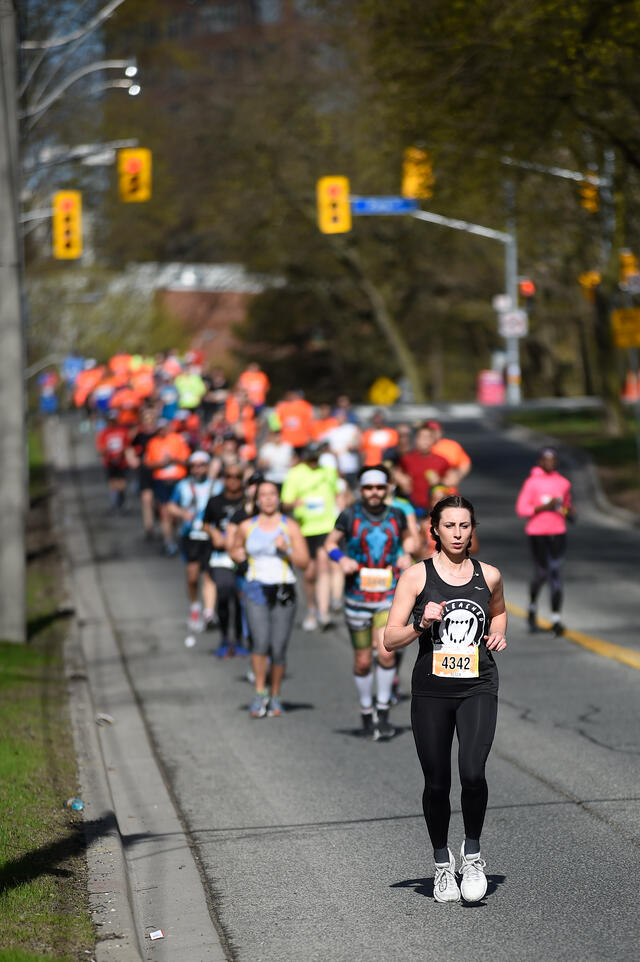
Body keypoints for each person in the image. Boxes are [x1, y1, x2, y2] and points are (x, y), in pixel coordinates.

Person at [384, 495, 507, 904]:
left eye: (464, 526)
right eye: (449, 526)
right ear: (434, 530)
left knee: (472, 772)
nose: (457, 533)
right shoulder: (415, 577)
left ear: (473, 530)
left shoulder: (488, 575)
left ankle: (472, 856)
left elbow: (499, 611)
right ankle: (442, 864)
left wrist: (498, 633)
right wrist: (421, 623)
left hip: (477, 687)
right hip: (432, 692)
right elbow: (389, 638)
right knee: (437, 784)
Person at [325, 466, 416, 740]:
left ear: (386, 489)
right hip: (357, 597)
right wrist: (341, 559)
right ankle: (367, 711)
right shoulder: (349, 515)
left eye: (379, 487)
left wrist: (406, 554)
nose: (374, 493)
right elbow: (330, 543)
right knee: (363, 661)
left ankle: (384, 713)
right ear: (361, 490)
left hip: (389, 595)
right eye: (368, 488)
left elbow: (411, 538)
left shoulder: (397, 514)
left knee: (386, 653)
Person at [231, 480, 309, 718]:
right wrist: (238, 555)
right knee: (260, 643)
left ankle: (275, 694)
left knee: (278, 648)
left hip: (284, 590)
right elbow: (234, 549)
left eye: (272, 494)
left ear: (278, 497)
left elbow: (304, 561)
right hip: (256, 588)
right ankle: (259, 693)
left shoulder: (290, 526)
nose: (267, 499)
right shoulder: (246, 526)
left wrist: (286, 548)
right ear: (256, 499)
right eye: (263, 495)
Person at [515, 447, 573, 635]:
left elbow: (566, 506)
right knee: (541, 573)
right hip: (537, 532)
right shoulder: (532, 483)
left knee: (555, 570)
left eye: (553, 460)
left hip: (558, 531)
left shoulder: (564, 483)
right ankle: (532, 607)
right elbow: (522, 509)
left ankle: (556, 618)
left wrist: (569, 512)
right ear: (540, 462)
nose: (549, 463)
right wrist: (543, 507)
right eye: (546, 460)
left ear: (556, 462)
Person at [281, 442, 339, 630]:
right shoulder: (295, 474)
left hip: (326, 525)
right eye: (311, 458)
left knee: (323, 564)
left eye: (317, 458)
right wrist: (294, 504)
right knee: (309, 573)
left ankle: (323, 611)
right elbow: (285, 502)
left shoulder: (328, 471)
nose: (314, 462)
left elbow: (339, 492)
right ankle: (312, 609)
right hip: (305, 529)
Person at [203, 463, 249, 657]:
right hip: (221, 556)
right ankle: (224, 637)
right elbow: (205, 524)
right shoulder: (215, 501)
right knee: (224, 592)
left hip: (241, 555)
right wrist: (213, 532)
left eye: (237, 477)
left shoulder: (247, 503)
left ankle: (238, 639)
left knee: (240, 600)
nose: (233, 480)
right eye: (229, 476)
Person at [144, 418, 191, 555]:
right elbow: (148, 463)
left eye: (164, 428)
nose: (162, 431)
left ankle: (177, 535)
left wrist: (173, 460)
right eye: (160, 429)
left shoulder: (177, 439)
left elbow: (186, 460)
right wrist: (161, 463)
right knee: (164, 513)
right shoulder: (153, 443)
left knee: (176, 513)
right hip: (162, 481)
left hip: (178, 480)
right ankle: (168, 541)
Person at [396, 422, 451, 518]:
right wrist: (400, 478)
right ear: (416, 439)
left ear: (433, 440)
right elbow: (397, 475)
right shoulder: (406, 459)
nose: (424, 441)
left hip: (434, 510)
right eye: (421, 437)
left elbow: (450, 483)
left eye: (428, 438)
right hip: (412, 507)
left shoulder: (442, 461)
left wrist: (440, 483)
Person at [95, 410, 130, 513]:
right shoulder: (104, 433)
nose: (112, 422)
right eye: (111, 420)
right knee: (112, 482)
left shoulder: (123, 431)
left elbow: (127, 445)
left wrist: (122, 454)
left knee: (122, 482)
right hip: (109, 462)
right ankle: (114, 503)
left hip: (121, 461)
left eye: (114, 420)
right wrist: (107, 450)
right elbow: (100, 448)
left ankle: (122, 501)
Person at [427, 420, 472, 488]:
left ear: (441, 432)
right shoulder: (423, 448)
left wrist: (458, 475)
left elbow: (465, 463)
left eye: (436, 430)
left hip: (449, 490)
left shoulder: (452, 446)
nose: (434, 433)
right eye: (431, 431)